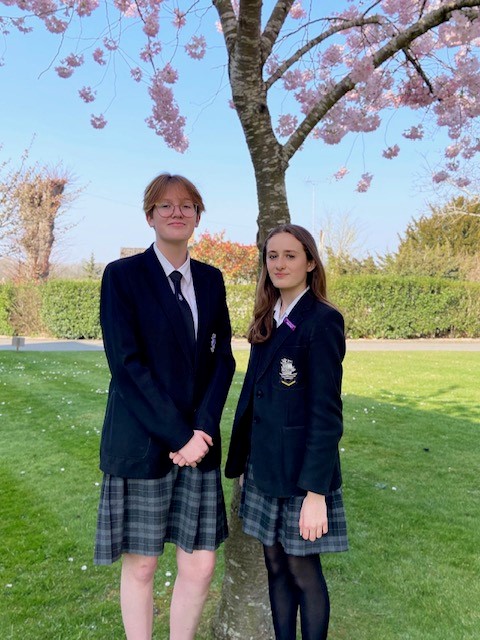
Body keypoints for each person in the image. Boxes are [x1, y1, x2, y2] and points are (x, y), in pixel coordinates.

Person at [94, 172, 235, 640]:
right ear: (149, 216)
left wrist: (202, 430)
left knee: (200, 565)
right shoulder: (122, 277)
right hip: (143, 443)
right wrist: (179, 436)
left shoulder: (211, 280)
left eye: (187, 205)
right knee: (142, 565)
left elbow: (222, 359)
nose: (177, 212)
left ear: (197, 216)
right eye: (165, 205)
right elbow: (126, 365)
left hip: (199, 442)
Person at [225, 224, 347, 640]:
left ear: (310, 263)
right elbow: (254, 396)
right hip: (264, 468)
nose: (279, 263)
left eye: (290, 255)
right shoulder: (267, 316)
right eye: (272, 255)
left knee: (302, 571)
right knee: (275, 566)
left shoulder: (323, 320)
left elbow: (326, 414)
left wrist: (316, 493)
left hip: (301, 475)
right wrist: (246, 463)